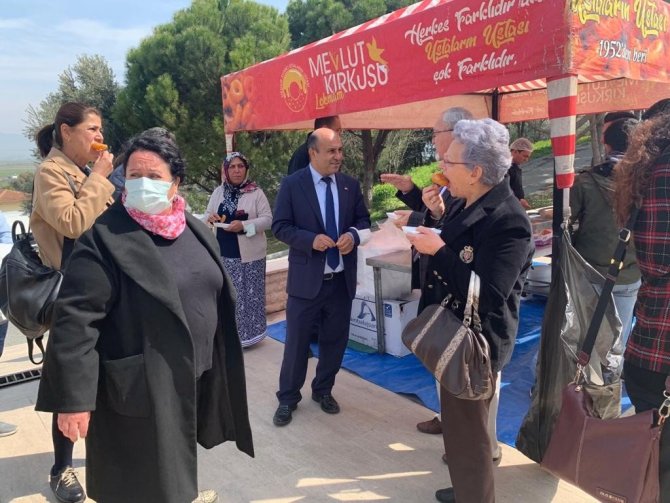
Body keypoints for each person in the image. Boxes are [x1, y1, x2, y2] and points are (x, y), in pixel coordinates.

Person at [34, 131, 254, 503]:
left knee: (173, 456)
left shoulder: (193, 228)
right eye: (134, 176)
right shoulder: (104, 236)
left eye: (154, 176)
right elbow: (75, 320)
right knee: (141, 475)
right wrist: (72, 400)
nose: (142, 184)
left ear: (175, 182)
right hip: (137, 381)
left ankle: (181, 493)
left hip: (192, 372)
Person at [407, 118, 533, 503]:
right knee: (460, 432)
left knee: (470, 436)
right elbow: (457, 243)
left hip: (475, 345)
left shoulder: (509, 220)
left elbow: (491, 295)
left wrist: (439, 251)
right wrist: (434, 218)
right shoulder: (469, 201)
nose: (441, 167)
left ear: (476, 172)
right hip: (453, 331)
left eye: (449, 162)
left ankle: (475, 495)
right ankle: (466, 489)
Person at [32, 102, 115, 503]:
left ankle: (105, 454)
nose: (99, 137)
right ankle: (61, 468)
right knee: (69, 383)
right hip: (72, 294)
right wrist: (99, 178)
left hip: (102, 288)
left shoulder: (82, 172)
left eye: (100, 130)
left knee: (103, 377)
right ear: (66, 131)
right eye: (92, 129)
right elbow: (71, 222)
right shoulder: (51, 172)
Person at [271, 127, 370, 426]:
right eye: (331, 151)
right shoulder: (292, 185)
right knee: (296, 345)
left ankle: (323, 390)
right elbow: (280, 227)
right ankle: (288, 398)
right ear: (313, 152)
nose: (338, 156)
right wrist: (309, 240)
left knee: (335, 342)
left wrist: (353, 235)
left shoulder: (349, 186)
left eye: (340, 150)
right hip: (306, 283)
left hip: (340, 282)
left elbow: (364, 221)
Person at [614, 104, 670, 502]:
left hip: (650, 346)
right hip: (660, 355)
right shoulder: (664, 174)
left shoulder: (649, 170)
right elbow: (661, 258)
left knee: (653, 471)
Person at [570, 117, 640, 375]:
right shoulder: (648, 181)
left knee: (580, 335)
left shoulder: (586, 181)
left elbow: (566, 223)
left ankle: (578, 383)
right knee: (616, 342)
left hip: (588, 272)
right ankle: (608, 385)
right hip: (630, 272)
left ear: (605, 143)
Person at [204, 152, 272, 348]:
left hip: (251, 256)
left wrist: (244, 226)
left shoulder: (255, 193)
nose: (236, 170)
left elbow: (268, 220)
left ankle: (253, 336)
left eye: (240, 166)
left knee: (251, 297)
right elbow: (207, 216)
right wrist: (211, 219)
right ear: (226, 170)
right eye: (232, 167)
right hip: (224, 254)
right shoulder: (218, 193)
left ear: (246, 169)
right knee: (231, 298)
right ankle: (233, 339)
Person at [508, 137, 534, 209]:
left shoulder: (515, 168)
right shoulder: (505, 169)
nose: (526, 159)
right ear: (515, 151)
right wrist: (517, 201)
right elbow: (503, 191)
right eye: (525, 156)